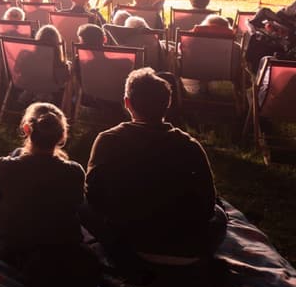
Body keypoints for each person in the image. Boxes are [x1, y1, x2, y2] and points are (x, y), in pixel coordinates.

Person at [83, 67, 227, 270]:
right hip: (191, 248)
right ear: (167, 104)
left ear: (127, 103)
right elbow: (207, 203)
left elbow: (94, 196)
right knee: (220, 213)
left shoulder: (108, 140)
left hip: (130, 245)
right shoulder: (189, 145)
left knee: (81, 202)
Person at [0, 102, 100, 287]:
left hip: (14, 241)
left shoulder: (4, 167)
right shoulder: (75, 172)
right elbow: (76, 202)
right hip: (59, 240)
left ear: (26, 129)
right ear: (62, 136)